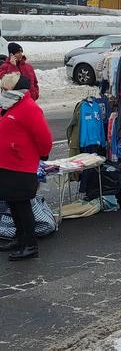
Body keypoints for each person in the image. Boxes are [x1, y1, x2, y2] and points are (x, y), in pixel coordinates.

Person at [0, 74, 52, 260]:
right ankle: (20, 238)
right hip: (7, 164)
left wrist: (43, 155)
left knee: (22, 205)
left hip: (21, 166)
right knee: (13, 204)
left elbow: (44, 137)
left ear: (15, 91)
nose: (3, 93)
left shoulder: (28, 107)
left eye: (5, 90)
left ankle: (30, 245)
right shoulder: (9, 106)